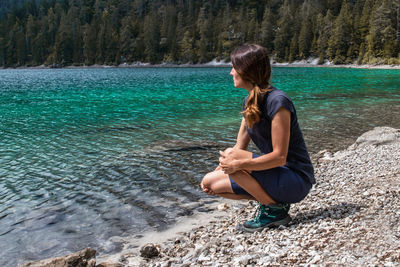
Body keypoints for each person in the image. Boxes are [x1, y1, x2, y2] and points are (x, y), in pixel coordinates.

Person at [200, 44, 315, 232]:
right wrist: (223, 167)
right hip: (275, 174)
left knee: (232, 157)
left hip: (296, 179)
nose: (230, 73)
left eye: (234, 68)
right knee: (210, 183)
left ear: (246, 71)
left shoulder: (278, 101)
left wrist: (237, 165)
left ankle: (273, 210)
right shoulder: (249, 102)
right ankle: (273, 203)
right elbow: (240, 147)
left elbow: (280, 157)